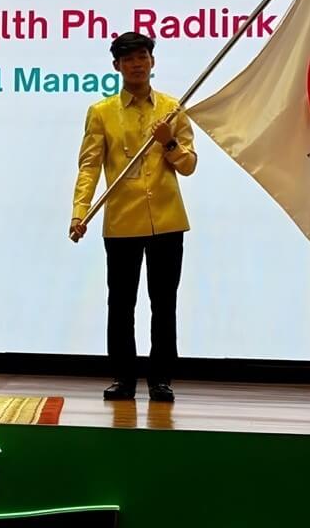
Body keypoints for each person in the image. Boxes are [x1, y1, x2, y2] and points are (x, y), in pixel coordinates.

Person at [69, 32, 197, 403]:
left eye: (142, 57)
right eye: (128, 59)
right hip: (122, 221)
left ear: (152, 61)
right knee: (121, 304)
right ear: (117, 66)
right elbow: (89, 166)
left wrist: (169, 141)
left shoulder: (172, 109)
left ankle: (161, 379)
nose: (137, 64)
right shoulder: (101, 112)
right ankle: (123, 379)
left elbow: (189, 165)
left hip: (167, 221)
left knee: (164, 303)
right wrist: (80, 212)